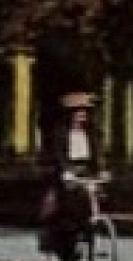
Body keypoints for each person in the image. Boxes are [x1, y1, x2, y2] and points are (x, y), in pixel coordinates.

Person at [38, 94, 102, 252]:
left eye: (85, 112)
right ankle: (67, 240)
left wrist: (101, 171)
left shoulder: (91, 133)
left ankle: (90, 233)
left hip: (85, 169)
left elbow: (97, 154)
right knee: (69, 204)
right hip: (67, 170)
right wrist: (65, 171)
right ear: (71, 114)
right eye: (78, 112)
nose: (82, 115)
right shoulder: (61, 133)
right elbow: (58, 155)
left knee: (95, 194)